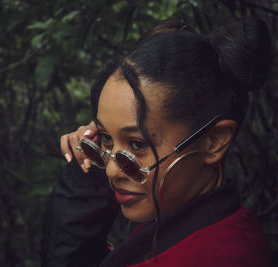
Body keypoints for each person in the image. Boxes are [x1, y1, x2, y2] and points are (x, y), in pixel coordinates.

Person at [41, 18, 273, 267]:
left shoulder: (221, 257)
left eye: (137, 144)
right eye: (106, 138)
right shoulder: (181, 228)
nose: (110, 169)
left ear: (215, 141)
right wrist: (86, 177)